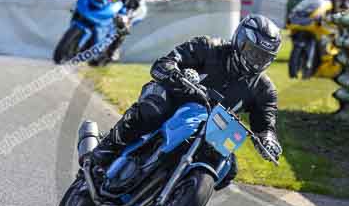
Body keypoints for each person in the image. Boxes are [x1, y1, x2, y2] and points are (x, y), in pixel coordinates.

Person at [91, 15, 283, 189]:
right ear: (240, 41)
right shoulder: (208, 47)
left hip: (211, 127)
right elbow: (164, 63)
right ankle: (106, 149)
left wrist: (268, 140)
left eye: (263, 57)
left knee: (228, 170)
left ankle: (174, 195)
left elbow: (265, 124)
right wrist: (175, 73)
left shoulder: (264, 89)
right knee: (153, 110)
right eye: (253, 52)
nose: (256, 60)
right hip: (174, 99)